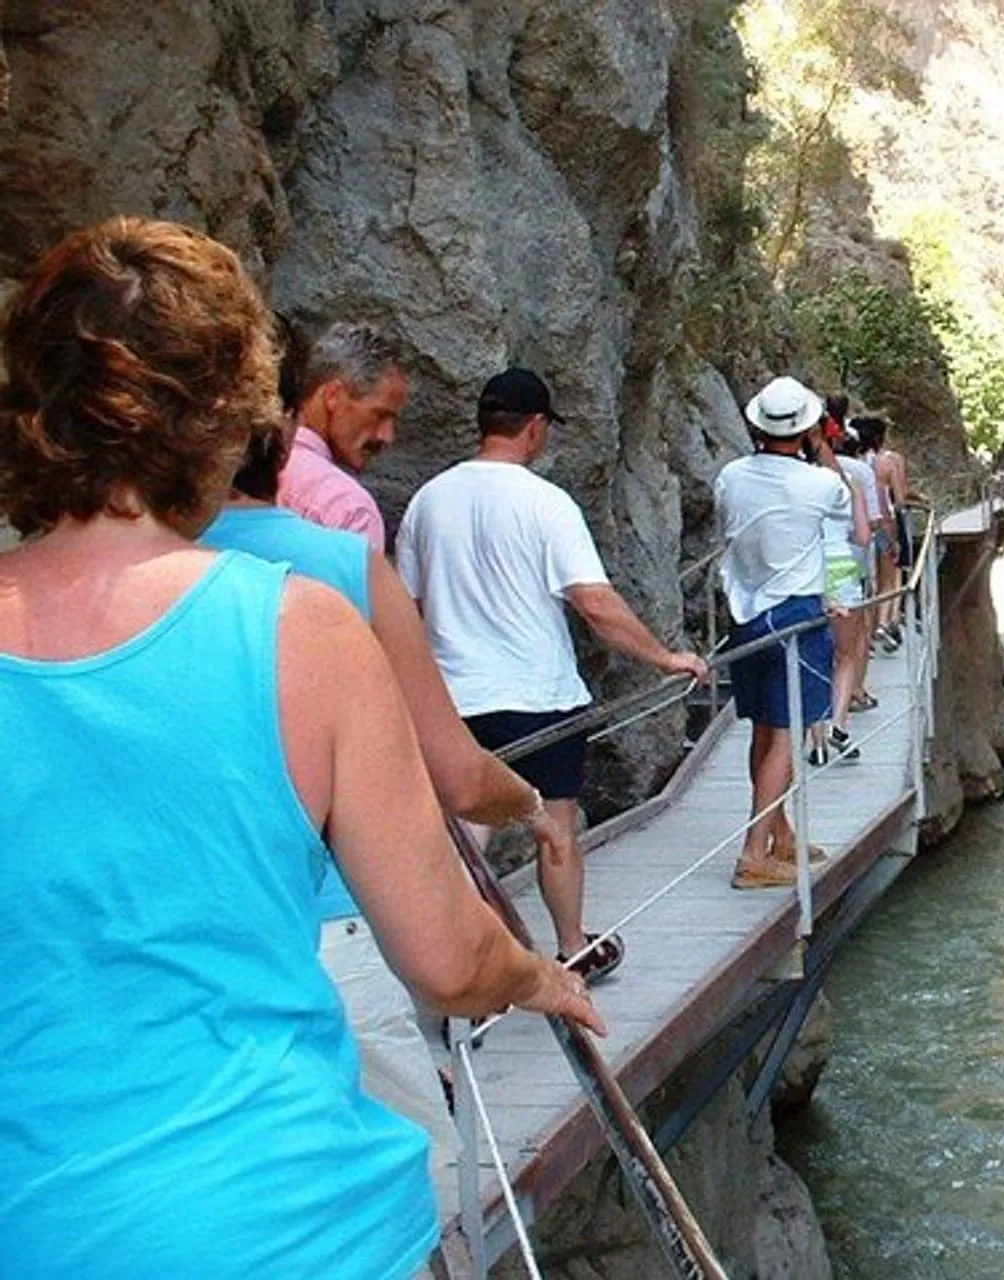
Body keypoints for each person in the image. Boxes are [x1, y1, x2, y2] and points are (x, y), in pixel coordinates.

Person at [0, 216, 601, 1278]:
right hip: (294, 1220)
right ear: (225, 414)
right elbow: (447, 955)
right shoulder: (297, 626)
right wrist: (537, 976)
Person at [202, 322, 568, 1153]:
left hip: (202, 938)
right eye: (382, 414)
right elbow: (458, 777)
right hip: (330, 915)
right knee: (415, 1170)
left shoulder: (133, 574)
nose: (391, 435)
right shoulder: (340, 540)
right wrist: (531, 817)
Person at [397, 369, 708, 983]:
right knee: (555, 828)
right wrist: (665, 657)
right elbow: (594, 602)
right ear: (535, 428)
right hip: (538, 696)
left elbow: (406, 605)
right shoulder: (546, 502)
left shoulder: (428, 501)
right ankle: (572, 949)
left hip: (454, 697)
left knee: (468, 831)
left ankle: (453, 960)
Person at [713, 376, 855, 888]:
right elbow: (845, 512)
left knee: (763, 729)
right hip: (795, 615)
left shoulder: (730, 476)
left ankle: (781, 833)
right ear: (808, 428)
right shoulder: (819, 484)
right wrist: (821, 446)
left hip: (745, 615)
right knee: (786, 735)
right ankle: (754, 854)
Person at [279, 320, 407, 553]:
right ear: (333, 395)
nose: (387, 436)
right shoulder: (348, 509)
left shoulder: (236, 474)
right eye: (380, 415)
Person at [807, 426, 873, 767]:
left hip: (807, 573)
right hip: (842, 569)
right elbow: (862, 537)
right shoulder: (849, 486)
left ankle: (817, 742)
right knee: (845, 655)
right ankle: (839, 725)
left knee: (813, 655)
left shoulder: (794, 484)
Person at [865, 415, 913, 646]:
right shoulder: (889, 461)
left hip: (858, 525)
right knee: (890, 576)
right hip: (885, 523)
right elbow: (900, 498)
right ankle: (885, 622)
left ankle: (873, 626)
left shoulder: (853, 462)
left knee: (868, 579)